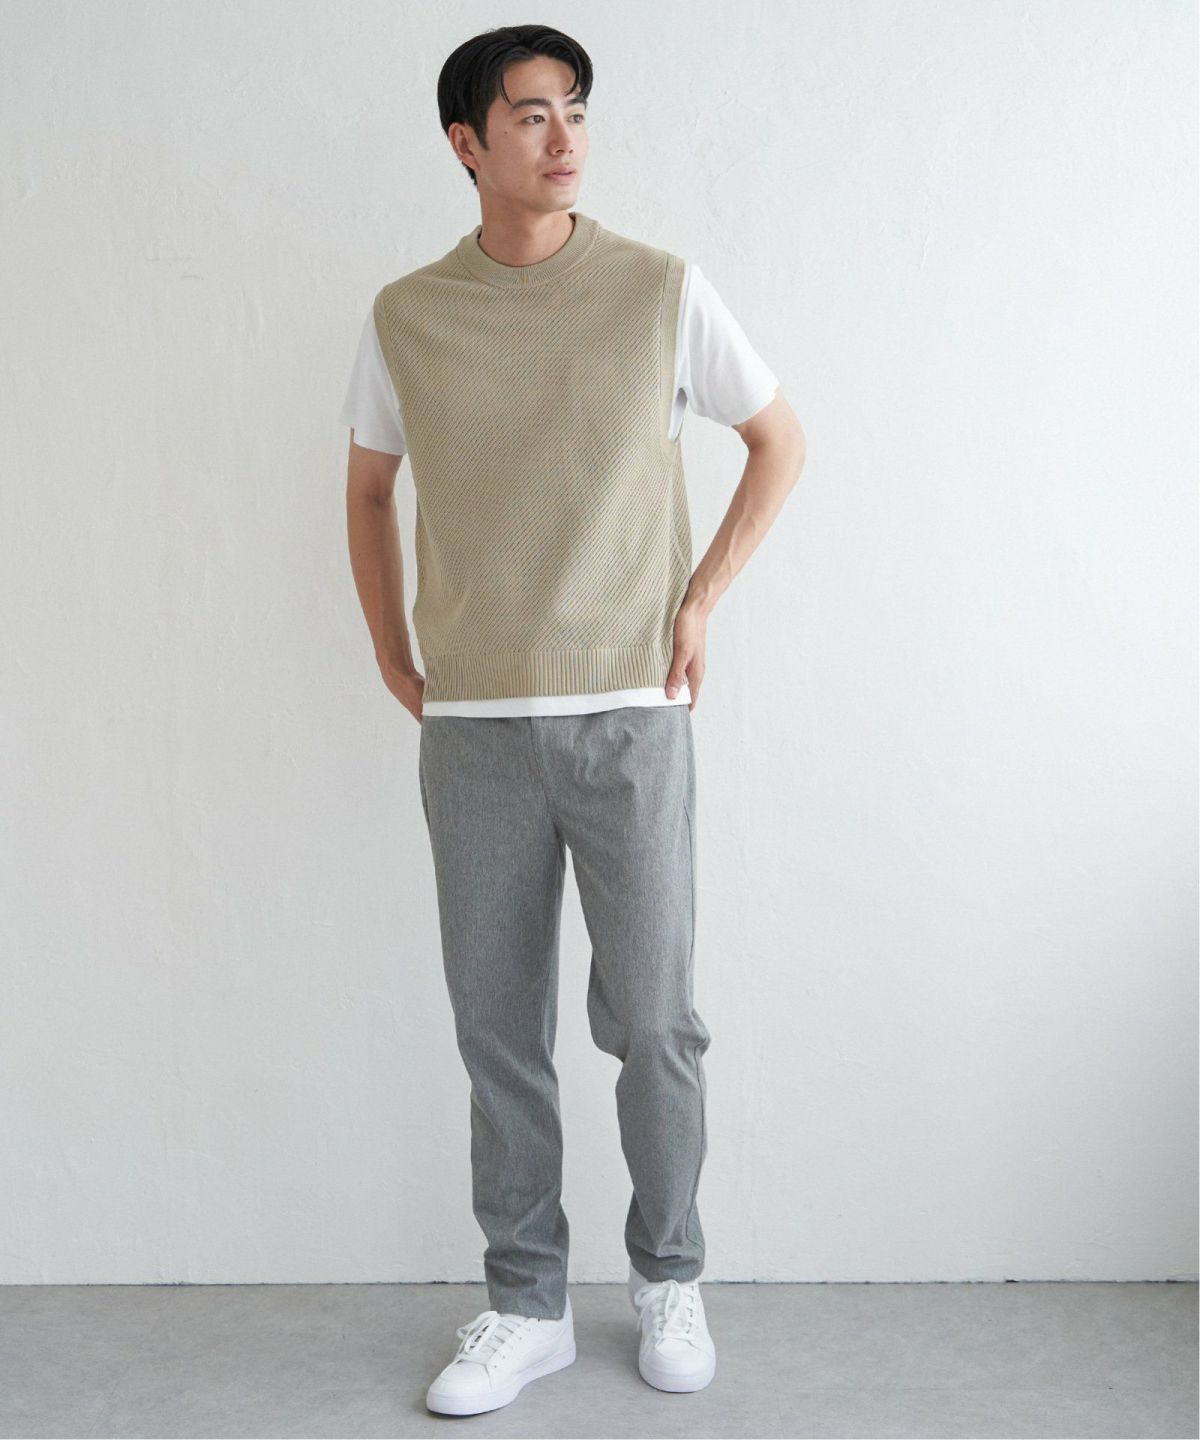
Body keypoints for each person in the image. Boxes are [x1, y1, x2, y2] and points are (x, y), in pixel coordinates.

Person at [339, 22, 806, 1417]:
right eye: (532, 115)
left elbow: (778, 440)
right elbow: (367, 487)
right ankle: (527, 1301)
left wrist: (700, 599)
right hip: (476, 725)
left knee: (654, 1021)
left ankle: (669, 1273)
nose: (565, 139)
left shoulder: (659, 291)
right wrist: (391, 646)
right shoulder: (407, 316)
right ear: (466, 142)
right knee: (498, 1028)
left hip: (628, 717)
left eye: (577, 112)